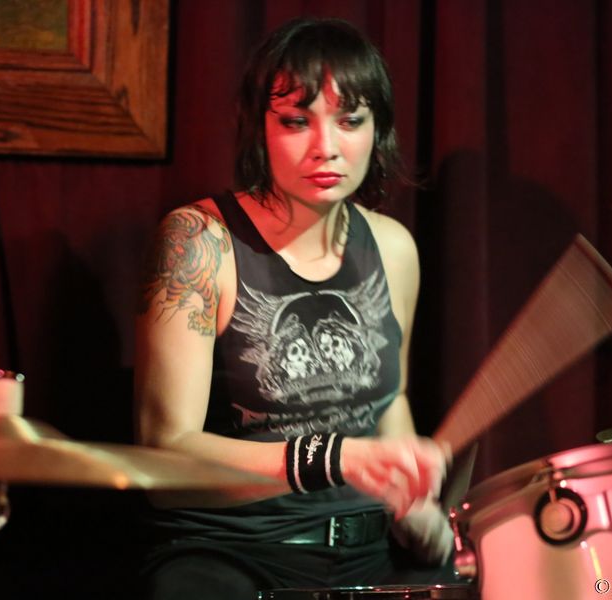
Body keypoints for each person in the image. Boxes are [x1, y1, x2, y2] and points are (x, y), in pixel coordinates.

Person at [134, 17, 455, 599]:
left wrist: (413, 502)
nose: (326, 147)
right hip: (235, 554)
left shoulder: (393, 247)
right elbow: (166, 458)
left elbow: (388, 401)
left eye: (350, 120)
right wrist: (330, 459)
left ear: (377, 129)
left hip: (370, 552)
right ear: (258, 128)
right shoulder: (199, 241)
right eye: (296, 121)